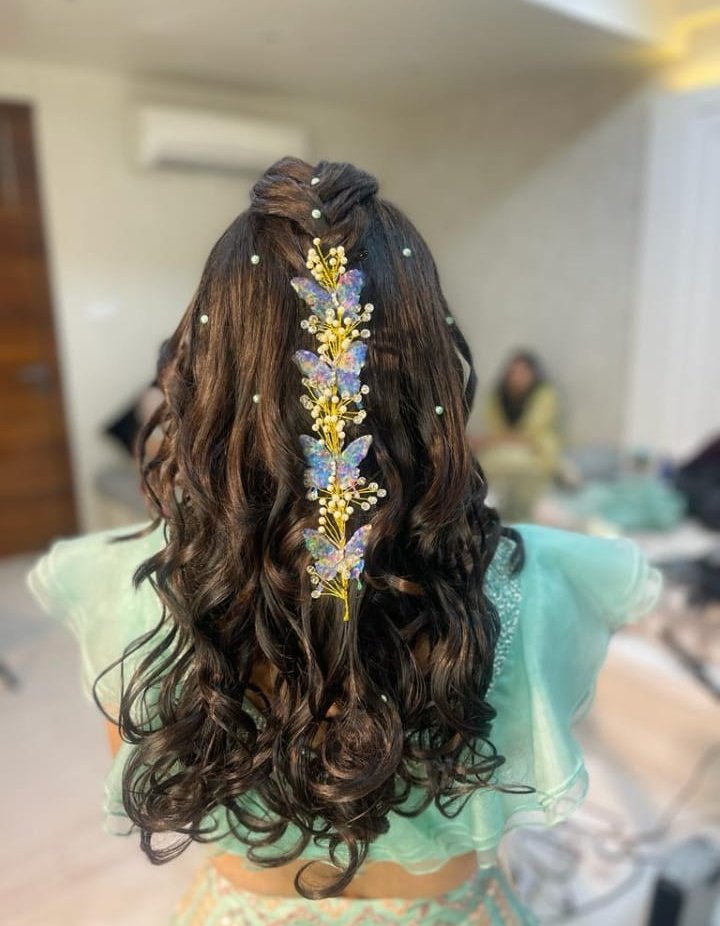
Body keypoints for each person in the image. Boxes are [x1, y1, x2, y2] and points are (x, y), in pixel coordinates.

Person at [28, 158, 661, 926]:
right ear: (427, 370)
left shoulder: (119, 583)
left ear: (211, 370)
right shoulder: (546, 581)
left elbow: (165, 789)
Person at [475, 352, 560, 522]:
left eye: (523, 373)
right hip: (501, 453)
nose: (517, 378)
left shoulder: (544, 395)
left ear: (533, 375)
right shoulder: (498, 397)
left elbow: (531, 434)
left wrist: (491, 441)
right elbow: (496, 431)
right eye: (514, 373)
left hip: (536, 451)